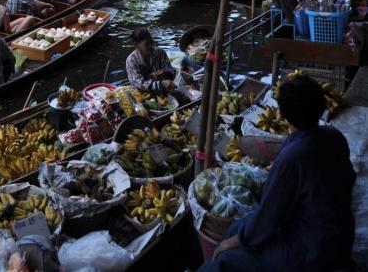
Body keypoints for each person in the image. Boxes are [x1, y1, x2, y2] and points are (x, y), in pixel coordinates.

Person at [199, 75, 356, 272]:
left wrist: (227, 245)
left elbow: (267, 219)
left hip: (313, 249)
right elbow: (347, 179)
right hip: (340, 233)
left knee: (224, 260)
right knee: (236, 228)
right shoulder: (334, 136)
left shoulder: (291, 159)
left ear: (282, 113)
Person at [126, 27, 176, 93]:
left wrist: (165, 72)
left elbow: (172, 72)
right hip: (143, 95)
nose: (150, 46)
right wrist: (160, 84)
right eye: (146, 44)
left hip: (164, 91)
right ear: (136, 45)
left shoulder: (160, 52)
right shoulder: (131, 60)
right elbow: (138, 84)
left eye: (151, 42)